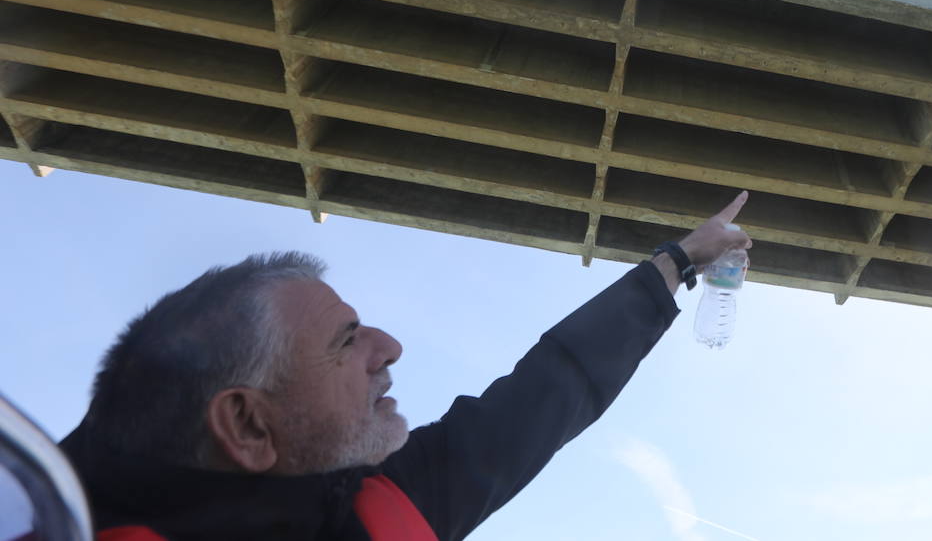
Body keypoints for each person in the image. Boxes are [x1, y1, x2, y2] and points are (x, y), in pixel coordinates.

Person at [58, 193, 752, 541]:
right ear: (246, 424)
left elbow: (547, 393)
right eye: (346, 341)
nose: (388, 348)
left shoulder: (364, 504)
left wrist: (679, 261)